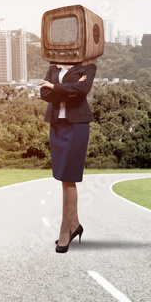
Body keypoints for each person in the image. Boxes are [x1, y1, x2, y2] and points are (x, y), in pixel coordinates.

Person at [39, 60, 97, 253]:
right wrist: (69, 90)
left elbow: (83, 89)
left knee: (69, 178)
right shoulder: (54, 67)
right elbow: (44, 94)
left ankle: (65, 230)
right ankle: (76, 225)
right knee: (63, 178)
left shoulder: (88, 66)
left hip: (76, 126)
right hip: (57, 125)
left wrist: (55, 87)